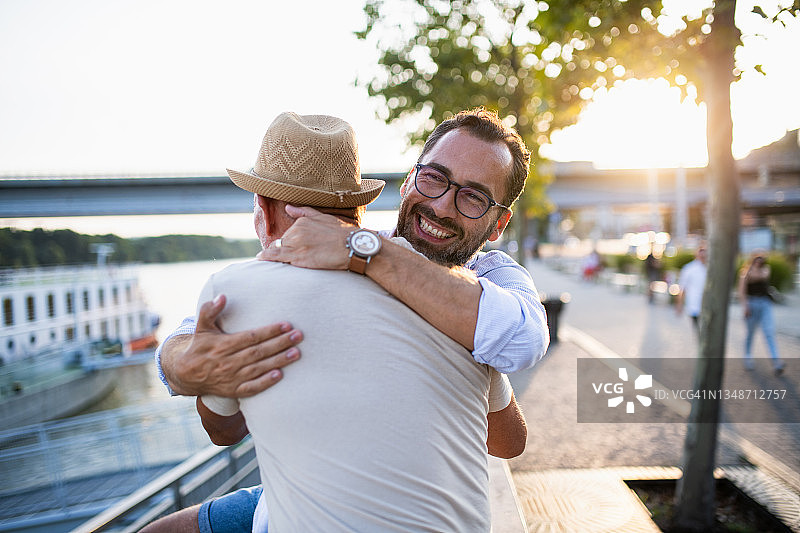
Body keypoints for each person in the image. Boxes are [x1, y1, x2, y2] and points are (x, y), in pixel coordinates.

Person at [145, 109, 542, 532]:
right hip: (290, 496)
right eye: (434, 179)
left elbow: (522, 341)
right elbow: (191, 331)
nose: (443, 204)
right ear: (409, 180)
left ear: (498, 223)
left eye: (473, 197)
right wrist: (183, 364)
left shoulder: (483, 281)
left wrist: (364, 250)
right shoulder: (459, 304)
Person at [738, 252, 785, 375]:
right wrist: (745, 307)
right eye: (757, 260)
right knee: (750, 333)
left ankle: (776, 362)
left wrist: (752, 273)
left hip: (765, 303)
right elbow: (742, 292)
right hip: (751, 304)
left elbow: (763, 276)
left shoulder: (764, 270)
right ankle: (747, 357)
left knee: (769, 332)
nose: (759, 262)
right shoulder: (745, 273)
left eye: (761, 260)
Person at [676, 245, 707, 331]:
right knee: (698, 329)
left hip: (708, 305)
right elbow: (682, 288)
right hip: (694, 304)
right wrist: (679, 304)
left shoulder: (710, 269)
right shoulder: (689, 268)